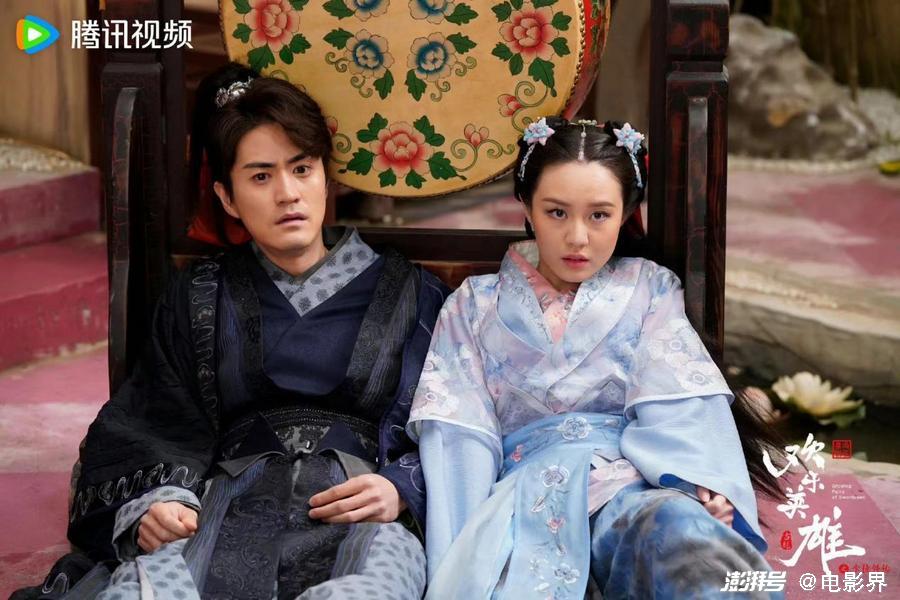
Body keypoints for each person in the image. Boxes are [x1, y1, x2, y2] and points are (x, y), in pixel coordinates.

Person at [16, 63, 448, 600]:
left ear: (326, 176)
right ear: (227, 197)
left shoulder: (411, 293)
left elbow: (456, 421)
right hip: (220, 506)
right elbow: (155, 416)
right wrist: (160, 501)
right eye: (261, 177)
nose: (287, 194)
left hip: (364, 513)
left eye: (302, 169)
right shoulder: (200, 293)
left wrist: (402, 487)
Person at [408, 117, 786, 599]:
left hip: (628, 484)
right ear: (525, 205)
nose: (578, 237)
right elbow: (459, 439)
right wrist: (458, 562)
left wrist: (700, 484)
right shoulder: (472, 305)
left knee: (683, 534)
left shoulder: (649, 287)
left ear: (626, 212)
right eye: (557, 212)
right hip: (520, 502)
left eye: (599, 215)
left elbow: (679, 402)